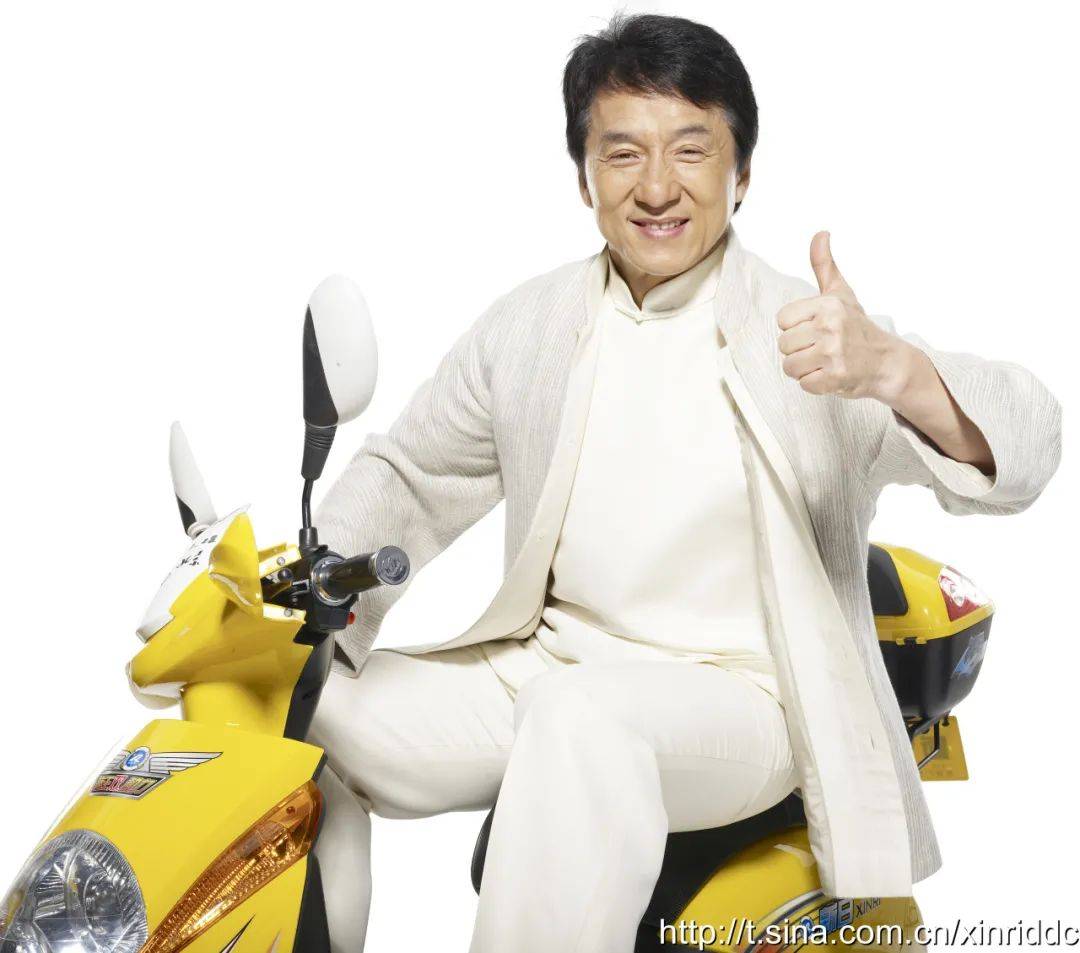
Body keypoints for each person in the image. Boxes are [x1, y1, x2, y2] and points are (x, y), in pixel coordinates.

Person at [307, 13, 1062, 953]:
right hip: (544, 669)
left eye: (691, 150)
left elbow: (1032, 445)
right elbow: (411, 475)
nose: (657, 186)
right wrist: (303, 598)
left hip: (746, 699)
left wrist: (893, 371)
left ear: (742, 174)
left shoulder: (810, 337)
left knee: (580, 718)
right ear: (584, 176)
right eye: (622, 152)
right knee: (296, 704)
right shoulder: (532, 327)